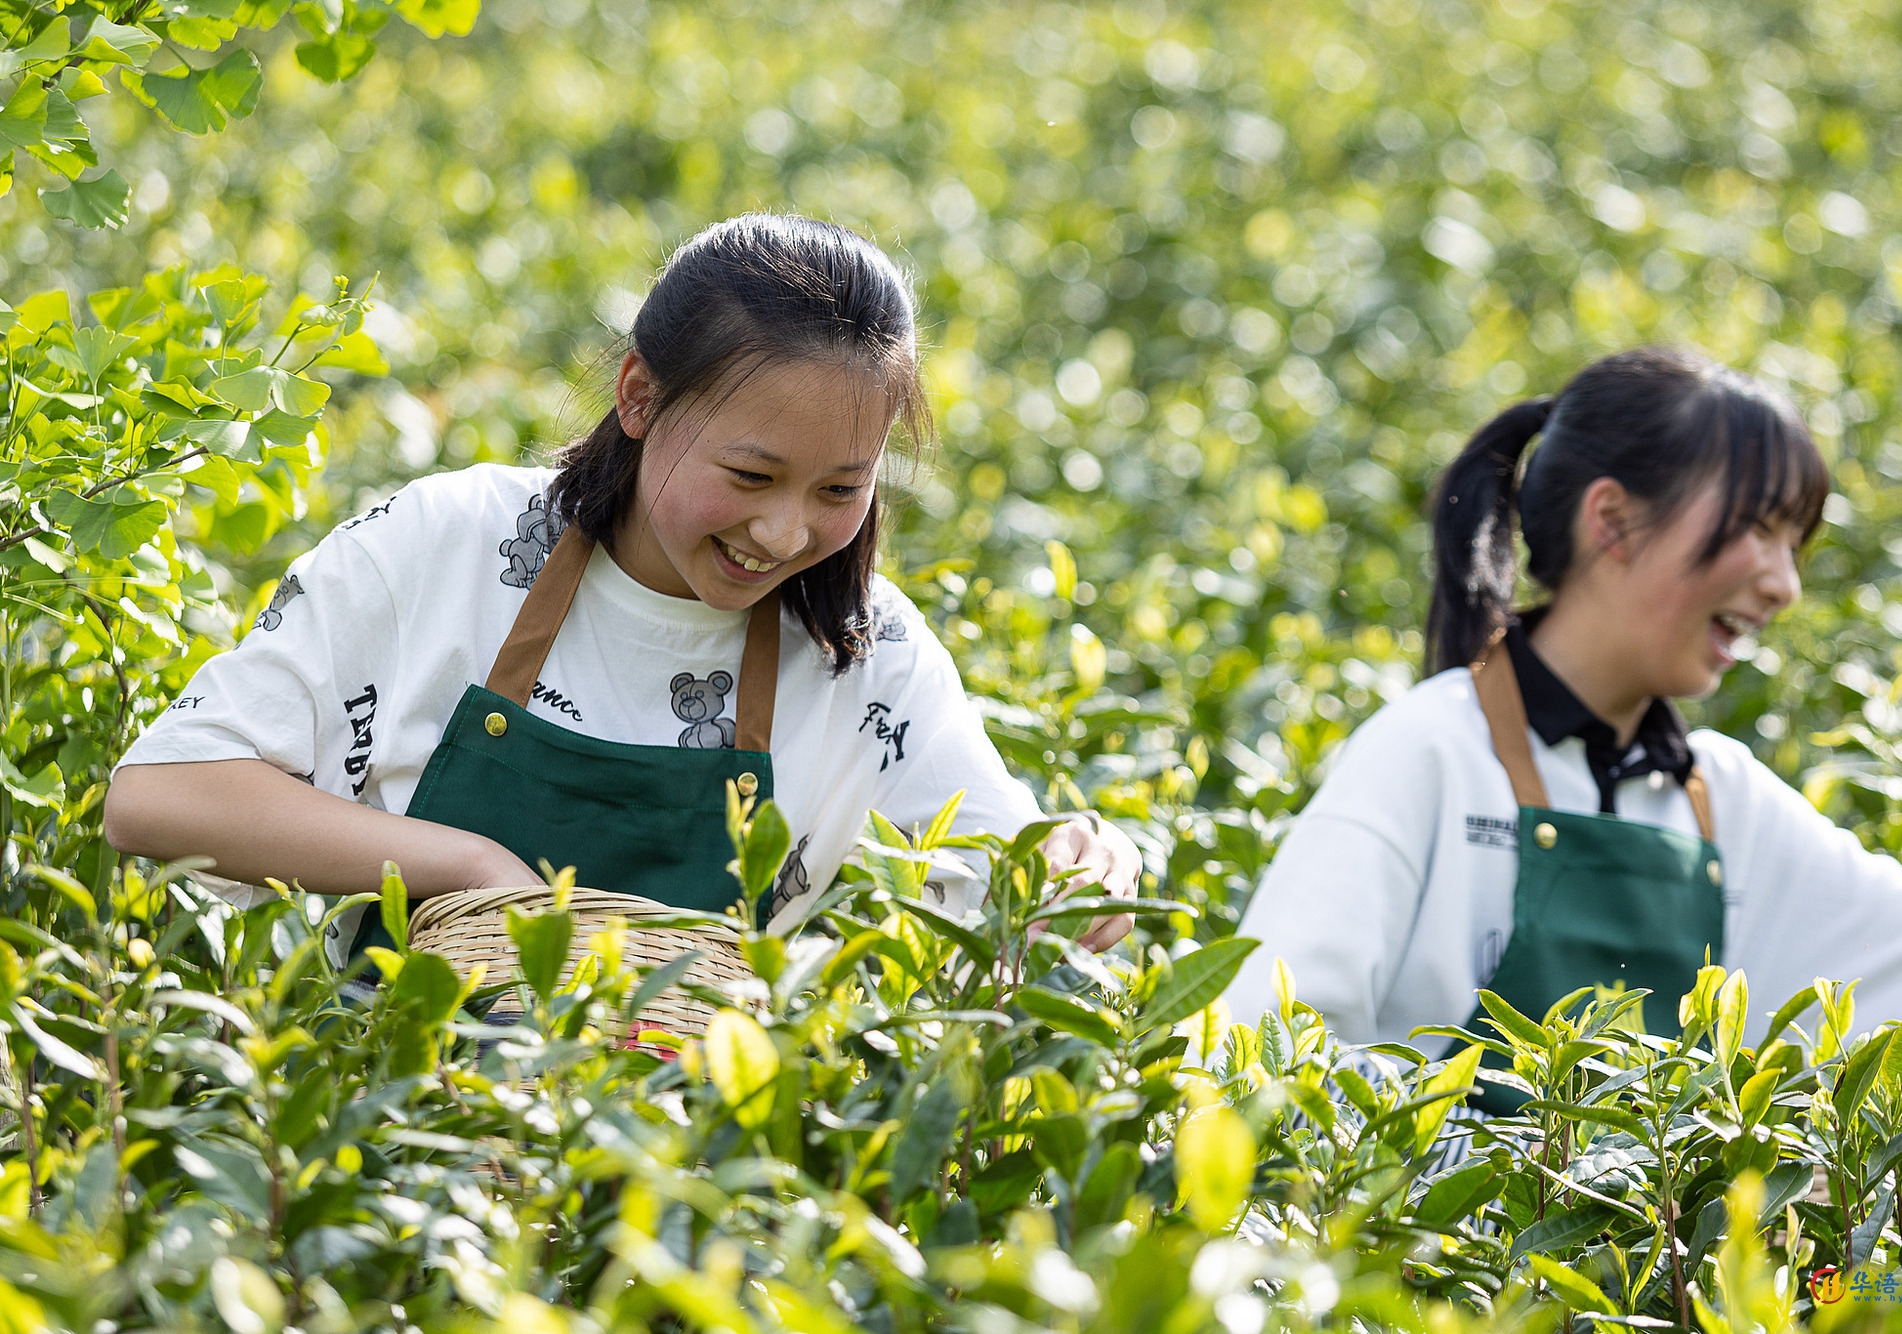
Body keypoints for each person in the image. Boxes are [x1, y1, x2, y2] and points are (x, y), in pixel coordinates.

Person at [104, 214, 1136, 963]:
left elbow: (1015, 887)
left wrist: (1091, 868)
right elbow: (161, 793)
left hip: (681, 1182)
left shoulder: (867, 654)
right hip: (385, 1156)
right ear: (638, 395)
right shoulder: (449, 545)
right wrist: (464, 865)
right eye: (748, 475)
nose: (783, 533)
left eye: (839, 490)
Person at [1224, 347, 1902, 1082]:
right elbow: (1265, 1051)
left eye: (1795, 544)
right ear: (1613, 521)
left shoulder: (1721, 802)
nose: (1784, 585)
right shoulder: (1430, 751)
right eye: (1761, 529)